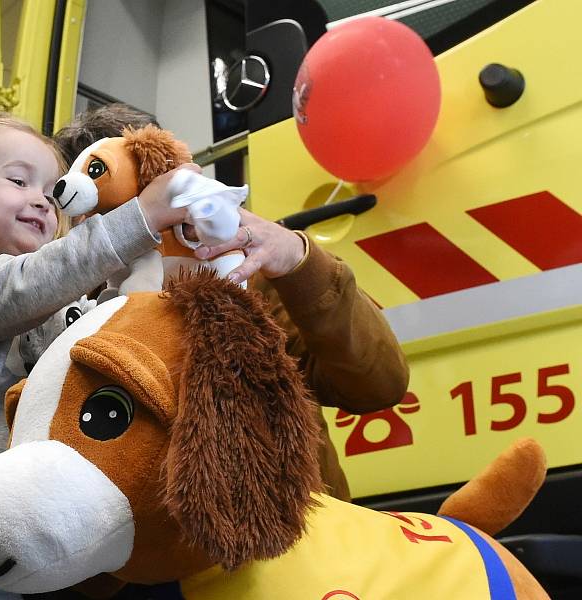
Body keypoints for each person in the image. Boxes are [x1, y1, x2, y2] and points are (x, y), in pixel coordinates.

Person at [0, 109, 198, 600]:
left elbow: (108, 336)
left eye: (52, 190)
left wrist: (159, 260)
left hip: (32, 546)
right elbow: (27, 285)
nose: (42, 200)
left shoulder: (62, 300)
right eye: (18, 180)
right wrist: (140, 219)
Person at [54, 104, 410, 503]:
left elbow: (378, 384)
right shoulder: (71, 308)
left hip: (285, 538)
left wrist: (297, 259)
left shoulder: (247, 269)